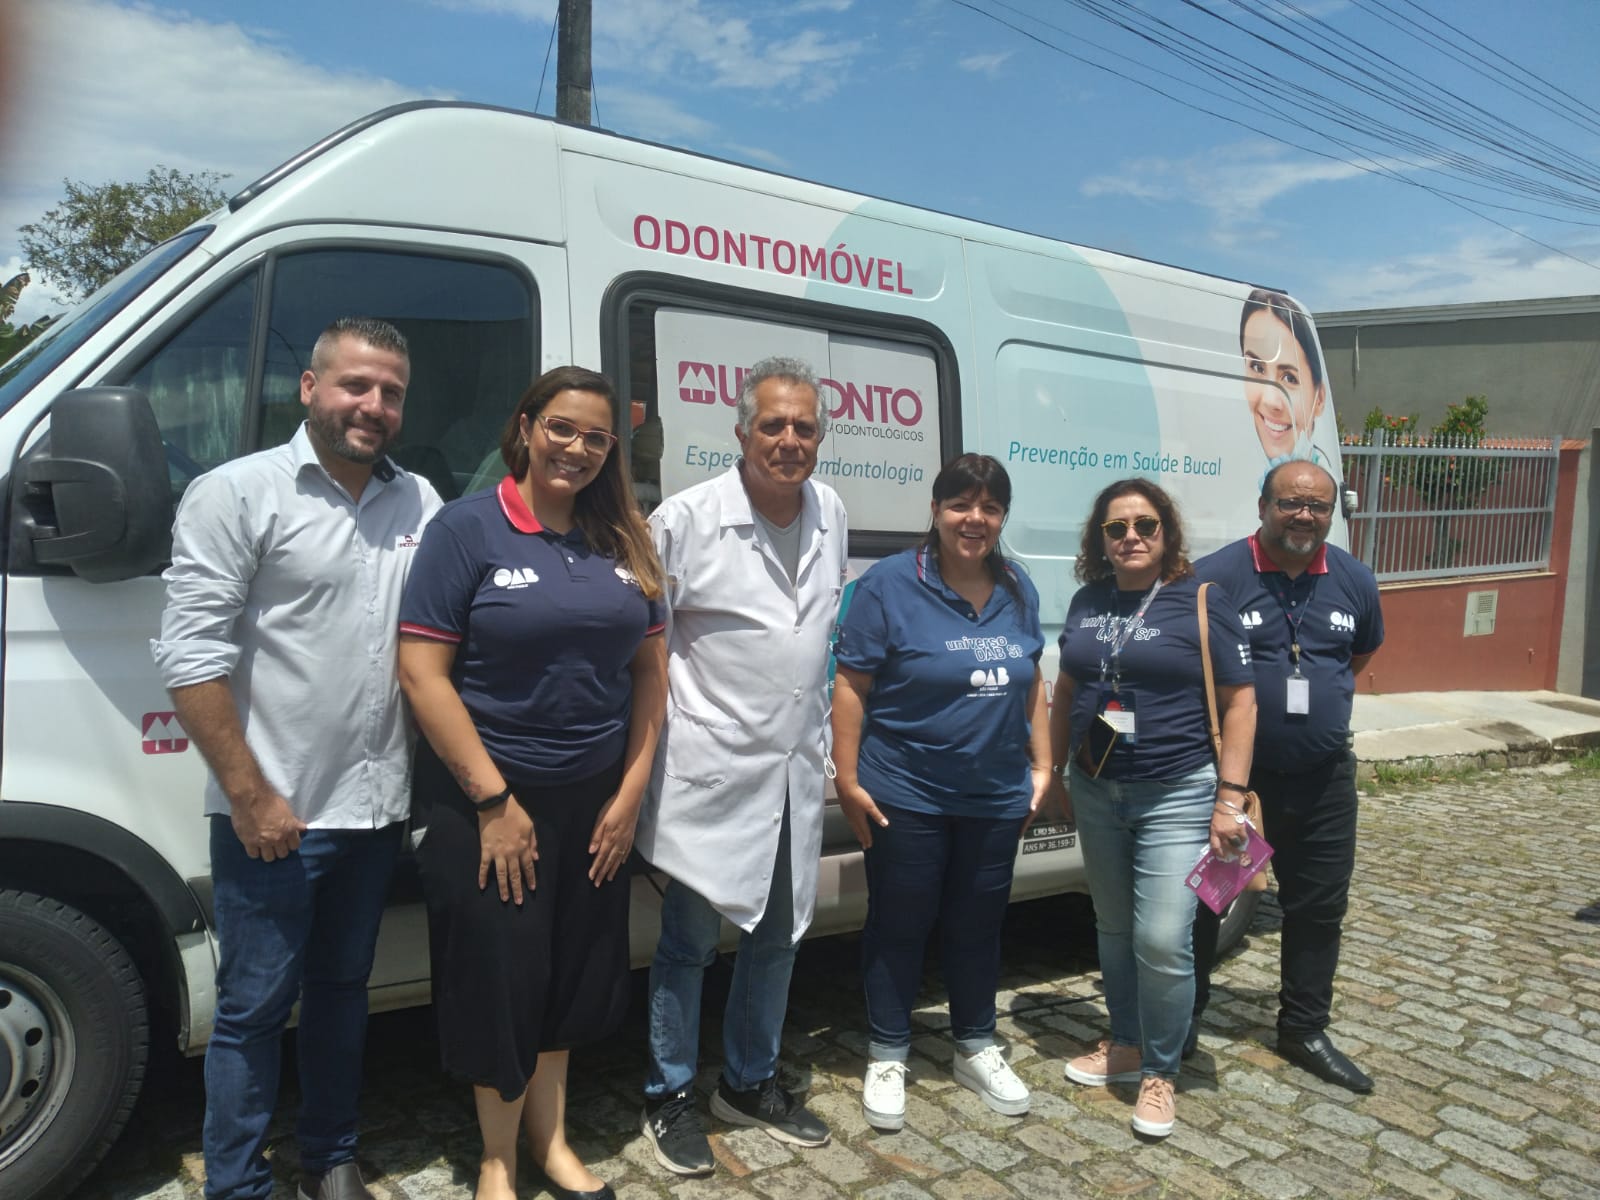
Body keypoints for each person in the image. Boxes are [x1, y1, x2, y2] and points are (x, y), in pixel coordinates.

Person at [152, 317, 442, 1200]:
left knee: (344, 991)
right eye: (356, 385)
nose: (373, 405)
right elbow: (190, 656)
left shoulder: (419, 501)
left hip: (375, 808)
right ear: (310, 388)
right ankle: (237, 1183)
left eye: (391, 392)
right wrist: (250, 796)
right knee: (252, 1008)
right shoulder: (238, 492)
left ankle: (329, 1156)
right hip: (275, 814)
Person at [396, 366, 668, 1200]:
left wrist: (629, 795)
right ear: (525, 427)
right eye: (561, 428)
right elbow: (421, 674)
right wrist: (493, 802)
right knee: (500, 981)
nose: (577, 449)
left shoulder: (624, 537)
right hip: (488, 803)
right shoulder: (467, 529)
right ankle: (496, 1161)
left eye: (597, 438)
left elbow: (651, 676)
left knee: (570, 977)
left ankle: (551, 1144)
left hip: (594, 803)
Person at [635, 356, 848, 1176]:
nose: (789, 440)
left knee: (778, 938)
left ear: (820, 437)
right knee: (689, 943)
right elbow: (647, 648)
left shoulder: (830, 510)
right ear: (741, 432)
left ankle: (750, 1082)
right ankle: (669, 1093)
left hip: (793, 772)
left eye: (804, 427)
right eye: (773, 424)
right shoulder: (686, 520)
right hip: (711, 771)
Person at [831, 454, 1050, 1131]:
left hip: (995, 793)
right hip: (907, 791)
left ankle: (975, 1044)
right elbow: (851, 684)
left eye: (989, 508)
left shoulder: (1016, 584)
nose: (974, 519)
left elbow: (1032, 678)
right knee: (901, 923)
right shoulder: (889, 584)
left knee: (978, 925)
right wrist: (846, 778)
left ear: (1002, 517)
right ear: (935, 510)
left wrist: (1043, 766)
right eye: (960, 505)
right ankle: (888, 1051)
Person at [1048, 478, 1256, 1139]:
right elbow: (1067, 689)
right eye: (1116, 528)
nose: (1131, 537)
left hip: (1178, 791)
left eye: (1145, 525)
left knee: (1162, 937)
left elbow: (1241, 702)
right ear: (1100, 540)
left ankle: (1162, 1070)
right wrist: (1054, 771)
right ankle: (1126, 1042)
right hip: (1097, 786)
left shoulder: (1201, 600)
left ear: (1166, 532)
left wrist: (1229, 798)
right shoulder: (1088, 601)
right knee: (1112, 927)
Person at [1188, 459, 1383, 1093]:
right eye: (1290, 503)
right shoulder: (1214, 578)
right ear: (1263, 506)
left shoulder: (1355, 580)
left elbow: (1357, 657)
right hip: (1236, 783)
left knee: (1319, 906)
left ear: (1331, 514)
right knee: (1208, 901)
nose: (1304, 515)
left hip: (1323, 779)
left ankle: (1303, 1028)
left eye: (1318, 506)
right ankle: (1182, 1018)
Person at [1241, 288, 1334, 471]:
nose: (1270, 401)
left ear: (1319, 399)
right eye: (1257, 368)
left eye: (1290, 378)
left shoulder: (1321, 484)